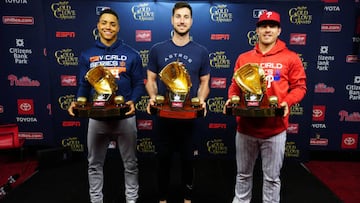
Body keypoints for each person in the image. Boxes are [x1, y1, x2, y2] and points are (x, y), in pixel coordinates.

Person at [223, 11, 307, 203]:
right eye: (263, 26)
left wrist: (288, 101)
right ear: (257, 31)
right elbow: (235, 86)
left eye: (272, 26)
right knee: (243, 175)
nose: (267, 29)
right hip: (246, 128)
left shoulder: (291, 58)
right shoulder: (244, 58)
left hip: (275, 129)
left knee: (271, 179)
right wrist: (232, 99)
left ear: (279, 30)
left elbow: (300, 87)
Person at [67, 8, 144, 203]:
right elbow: (84, 86)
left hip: (124, 117)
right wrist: (77, 102)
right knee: (94, 164)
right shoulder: (87, 55)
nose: (107, 27)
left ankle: (132, 200)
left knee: (130, 164)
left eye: (112, 23)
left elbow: (138, 85)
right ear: (98, 26)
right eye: (104, 23)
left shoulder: (132, 54)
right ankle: (96, 201)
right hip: (97, 117)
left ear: (118, 28)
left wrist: (133, 101)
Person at [145, 2, 210, 203]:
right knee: (162, 160)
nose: (182, 20)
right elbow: (151, 80)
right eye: (178, 16)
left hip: (189, 118)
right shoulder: (157, 49)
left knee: (188, 161)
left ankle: (187, 198)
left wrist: (202, 101)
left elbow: (205, 82)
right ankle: (163, 198)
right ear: (172, 19)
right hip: (165, 116)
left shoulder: (201, 51)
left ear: (192, 20)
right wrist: (153, 97)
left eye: (186, 17)